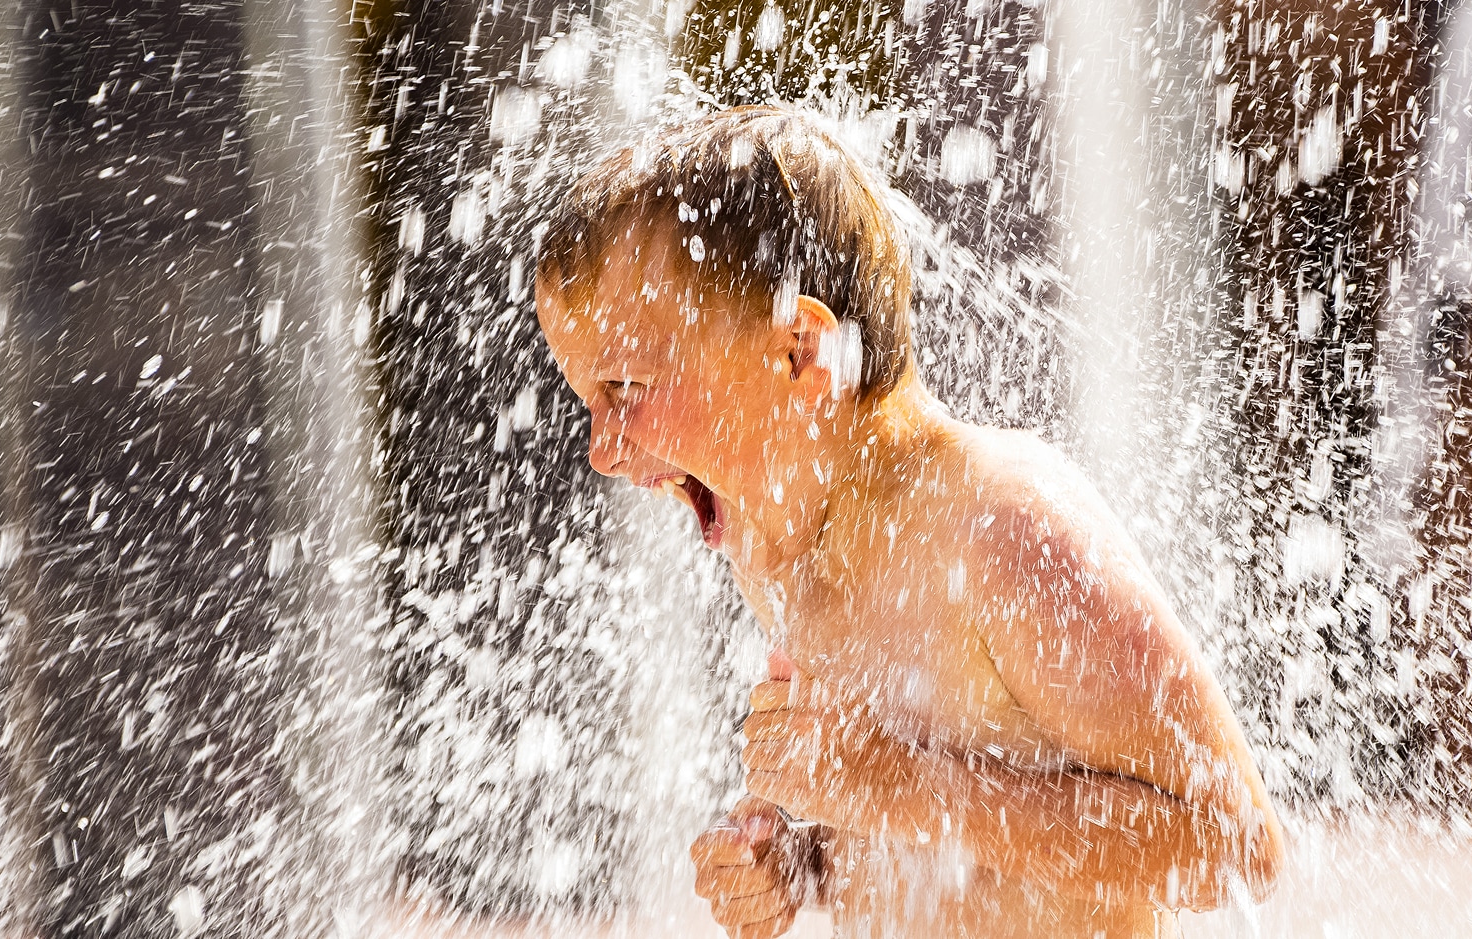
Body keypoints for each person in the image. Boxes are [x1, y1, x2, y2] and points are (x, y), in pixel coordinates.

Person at [534, 106, 1283, 938]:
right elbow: (919, 833)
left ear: (800, 356)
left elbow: (1235, 844)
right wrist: (799, 857)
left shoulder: (1001, 527)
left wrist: (896, 785)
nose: (603, 449)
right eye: (588, 403)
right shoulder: (778, 550)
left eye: (625, 389)